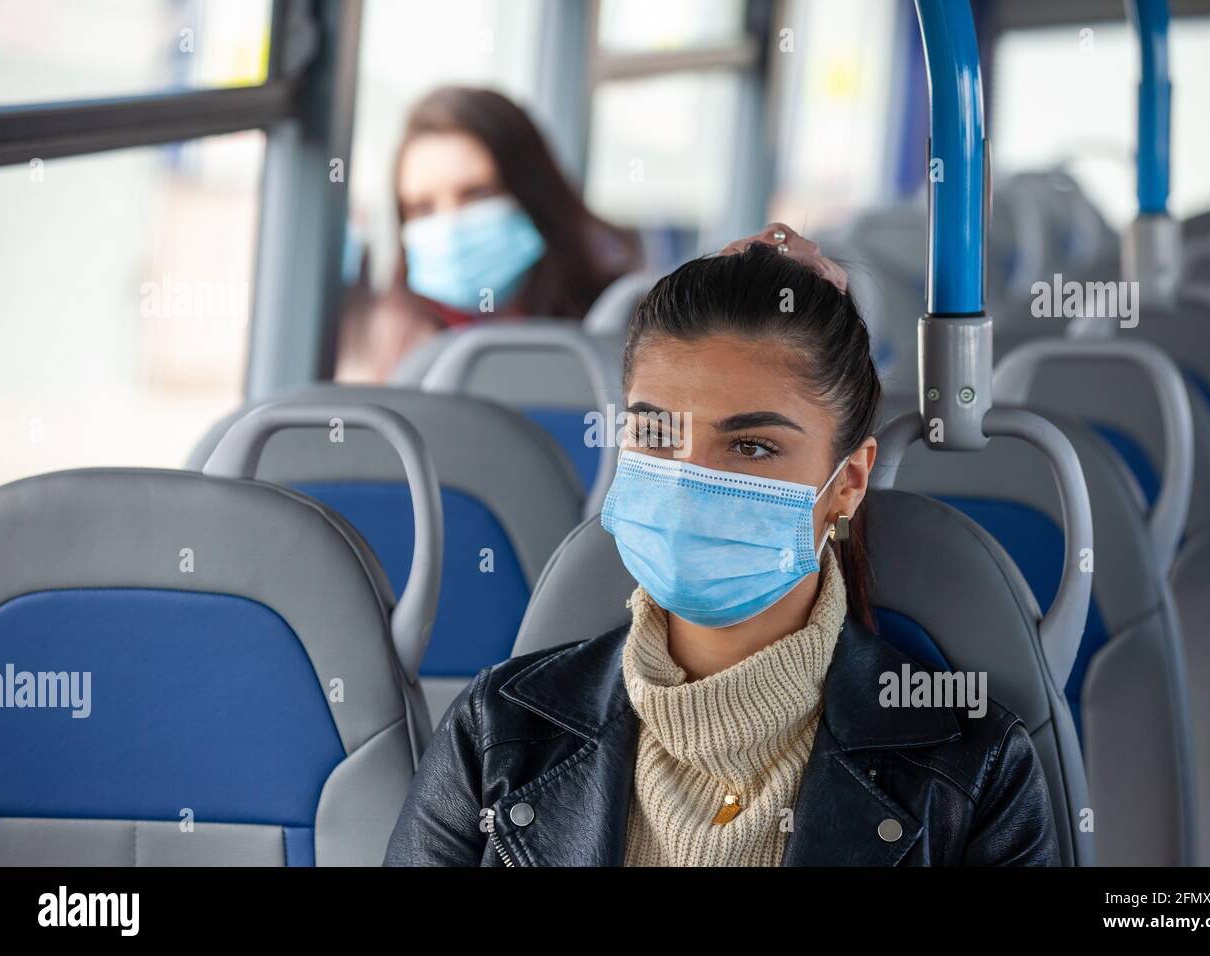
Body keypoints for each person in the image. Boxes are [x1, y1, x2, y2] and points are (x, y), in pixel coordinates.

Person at [384, 224, 1060, 866]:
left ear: (848, 481)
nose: (688, 482)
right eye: (655, 435)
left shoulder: (972, 772)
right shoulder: (496, 734)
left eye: (752, 446)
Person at [335, 86, 642, 382]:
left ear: (534, 194)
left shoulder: (626, 330)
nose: (450, 227)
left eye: (477, 194)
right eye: (422, 208)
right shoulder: (386, 355)